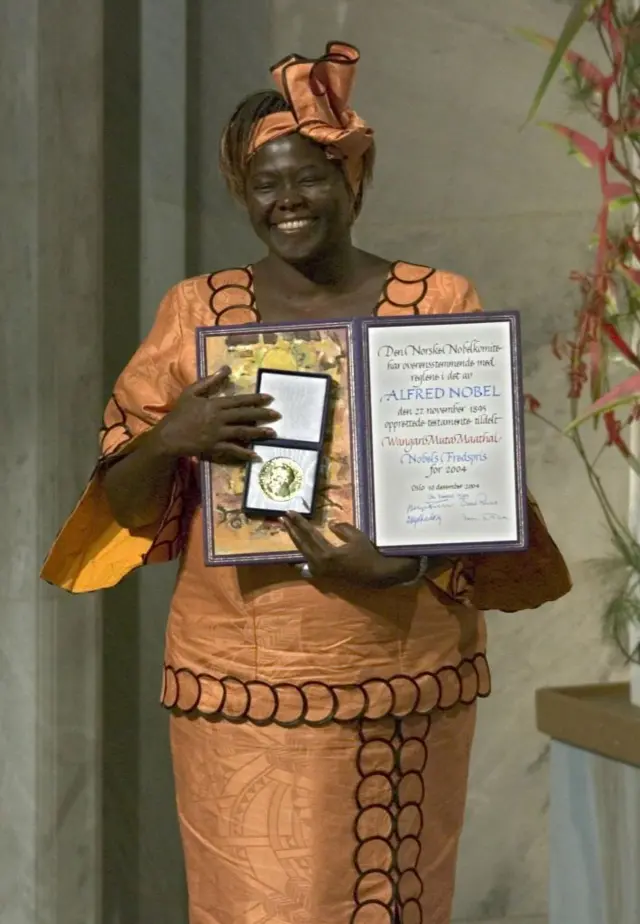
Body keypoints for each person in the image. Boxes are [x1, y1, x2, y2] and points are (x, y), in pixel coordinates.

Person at [42, 41, 571, 924]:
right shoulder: (196, 312)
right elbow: (125, 508)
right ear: (242, 199)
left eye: (309, 178)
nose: (287, 201)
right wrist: (171, 436)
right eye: (265, 185)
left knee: (390, 902)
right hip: (239, 685)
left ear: (352, 180)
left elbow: (473, 483)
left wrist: (399, 565)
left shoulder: (435, 301)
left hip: (401, 673)